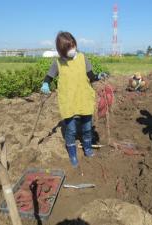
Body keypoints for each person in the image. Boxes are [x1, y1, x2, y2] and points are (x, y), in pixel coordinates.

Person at [40, 31, 107, 167]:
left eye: (73, 46)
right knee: (71, 130)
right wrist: (46, 83)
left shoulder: (83, 58)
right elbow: (49, 77)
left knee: (87, 128)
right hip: (69, 101)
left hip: (84, 99)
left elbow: (91, 76)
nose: (72, 50)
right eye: (68, 48)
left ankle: (87, 148)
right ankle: (72, 154)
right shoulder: (58, 63)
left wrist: (99, 76)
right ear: (61, 50)